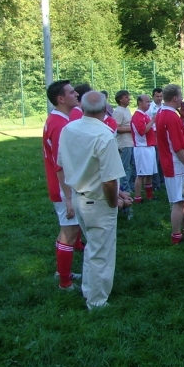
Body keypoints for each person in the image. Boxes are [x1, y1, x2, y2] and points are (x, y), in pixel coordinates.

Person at [58, 91, 126, 310]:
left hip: (79, 196)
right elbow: (109, 180)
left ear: (83, 107)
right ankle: (97, 301)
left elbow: (61, 163)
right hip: (98, 200)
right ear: (105, 109)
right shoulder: (104, 135)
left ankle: (89, 289)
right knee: (101, 253)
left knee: (92, 247)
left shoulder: (69, 129)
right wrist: (113, 202)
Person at [43, 80, 84, 290]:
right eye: (71, 92)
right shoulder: (59, 125)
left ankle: (62, 272)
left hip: (62, 186)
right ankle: (65, 283)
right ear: (60, 99)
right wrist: (68, 198)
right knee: (70, 232)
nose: (76, 94)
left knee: (68, 231)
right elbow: (60, 165)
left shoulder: (58, 119)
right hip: (63, 188)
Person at [156, 84, 184, 244]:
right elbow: (177, 146)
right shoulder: (171, 116)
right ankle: (176, 236)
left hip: (173, 163)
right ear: (175, 98)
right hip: (177, 166)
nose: (182, 99)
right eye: (180, 96)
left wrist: (183, 117)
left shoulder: (163, 112)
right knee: (179, 203)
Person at [131, 94, 157, 203]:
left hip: (149, 147)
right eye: (147, 101)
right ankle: (137, 198)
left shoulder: (144, 115)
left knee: (149, 173)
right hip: (142, 148)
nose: (149, 103)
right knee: (141, 174)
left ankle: (149, 196)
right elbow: (142, 131)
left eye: (149, 101)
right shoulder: (137, 116)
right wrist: (153, 121)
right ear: (140, 102)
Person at [113, 90, 134, 191]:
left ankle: (132, 185)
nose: (129, 99)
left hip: (130, 142)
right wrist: (131, 129)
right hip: (124, 143)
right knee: (126, 167)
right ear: (120, 99)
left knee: (133, 165)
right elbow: (116, 128)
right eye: (126, 97)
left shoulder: (127, 110)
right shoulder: (118, 112)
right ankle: (125, 188)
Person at [148, 87, 164, 190]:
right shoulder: (149, 108)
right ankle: (156, 183)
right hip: (153, 134)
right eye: (157, 96)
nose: (159, 98)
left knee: (163, 159)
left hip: (163, 134)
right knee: (156, 160)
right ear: (153, 96)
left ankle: (162, 181)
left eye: (161, 96)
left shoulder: (164, 107)